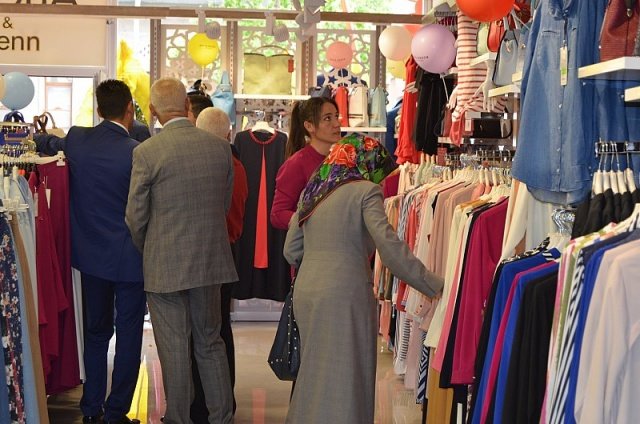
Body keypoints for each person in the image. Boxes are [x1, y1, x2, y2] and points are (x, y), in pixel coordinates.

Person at [283, 134, 444, 424]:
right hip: (345, 293)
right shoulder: (365, 191)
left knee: (313, 373)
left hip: (308, 291)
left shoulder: (315, 188)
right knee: (348, 375)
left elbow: (291, 250)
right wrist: (433, 284)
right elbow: (389, 247)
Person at [126, 77, 237, 424]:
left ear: (153, 111)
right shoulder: (220, 148)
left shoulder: (146, 152)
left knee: (174, 348)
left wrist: (151, 247)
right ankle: (222, 417)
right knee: (210, 342)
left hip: (164, 265)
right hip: (210, 261)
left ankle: (178, 418)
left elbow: (135, 216)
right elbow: (223, 204)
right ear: (188, 106)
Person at [35, 79, 145, 424]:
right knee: (128, 337)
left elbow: (48, 143)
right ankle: (116, 412)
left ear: (98, 110)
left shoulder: (78, 140)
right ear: (129, 109)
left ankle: (90, 407)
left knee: (96, 334)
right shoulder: (137, 151)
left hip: (91, 258)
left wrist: (36, 136)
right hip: (131, 260)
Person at [190, 106, 249, 422]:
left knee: (209, 334)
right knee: (219, 330)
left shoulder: (220, 165)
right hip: (227, 250)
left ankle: (209, 402)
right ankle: (221, 400)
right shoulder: (237, 165)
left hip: (212, 252)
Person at [270, 97, 341, 230]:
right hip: (310, 240)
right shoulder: (297, 163)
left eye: (336, 116)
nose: (337, 124)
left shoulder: (339, 160)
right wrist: (312, 222)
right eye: (327, 118)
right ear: (309, 126)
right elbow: (277, 214)